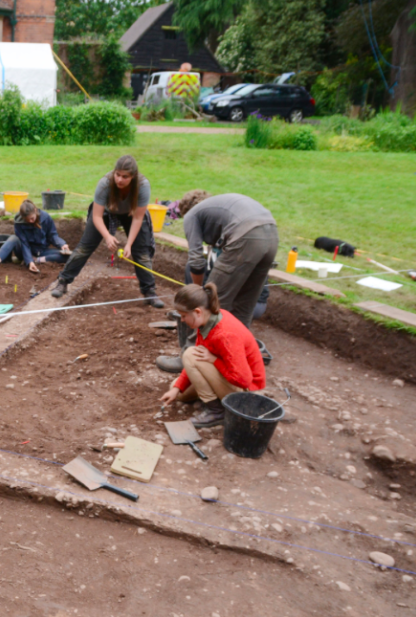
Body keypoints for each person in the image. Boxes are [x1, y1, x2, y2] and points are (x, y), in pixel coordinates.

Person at [156, 190, 279, 373]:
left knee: (210, 302)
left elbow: (196, 261)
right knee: (244, 306)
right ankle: (237, 358)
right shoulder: (217, 210)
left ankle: (189, 357)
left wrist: (198, 292)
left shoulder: (191, 215)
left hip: (246, 235)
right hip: (271, 235)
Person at [51, 155, 164, 307]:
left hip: (131, 214)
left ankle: (149, 291)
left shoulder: (142, 186)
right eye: (117, 174)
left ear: (133, 176)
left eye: (125, 177)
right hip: (105, 213)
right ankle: (63, 281)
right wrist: (108, 236)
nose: (120, 180)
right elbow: (96, 216)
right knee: (84, 248)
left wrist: (129, 244)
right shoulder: (105, 184)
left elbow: (138, 218)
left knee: (142, 253)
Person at [159, 283, 266, 428]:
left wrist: (214, 360)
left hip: (246, 392)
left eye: (184, 316)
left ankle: (216, 411)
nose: (182, 320)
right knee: (177, 389)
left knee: (190, 354)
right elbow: (197, 358)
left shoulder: (225, 335)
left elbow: (243, 380)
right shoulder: (207, 321)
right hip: (229, 377)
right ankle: (212, 398)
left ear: (197, 312)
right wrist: (176, 388)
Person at [0, 200, 70, 276]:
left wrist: (62, 244)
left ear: (35, 210)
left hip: (42, 252)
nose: (31, 221)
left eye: (32, 218)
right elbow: (24, 243)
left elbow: (52, 235)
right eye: (27, 219)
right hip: (23, 251)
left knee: (69, 256)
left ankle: (37, 260)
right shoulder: (19, 223)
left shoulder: (46, 218)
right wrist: (29, 261)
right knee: (13, 238)